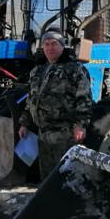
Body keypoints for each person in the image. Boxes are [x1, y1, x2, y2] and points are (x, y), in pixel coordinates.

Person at [18, 29, 93, 178]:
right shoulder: (37, 70)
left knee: (66, 175)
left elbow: (84, 98)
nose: (50, 48)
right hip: (44, 134)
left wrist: (80, 125)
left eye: (54, 44)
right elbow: (31, 99)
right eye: (46, 44)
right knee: (47, 177)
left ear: (62, 46)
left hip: (65, 133)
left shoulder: (75, 70)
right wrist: (24, 123)